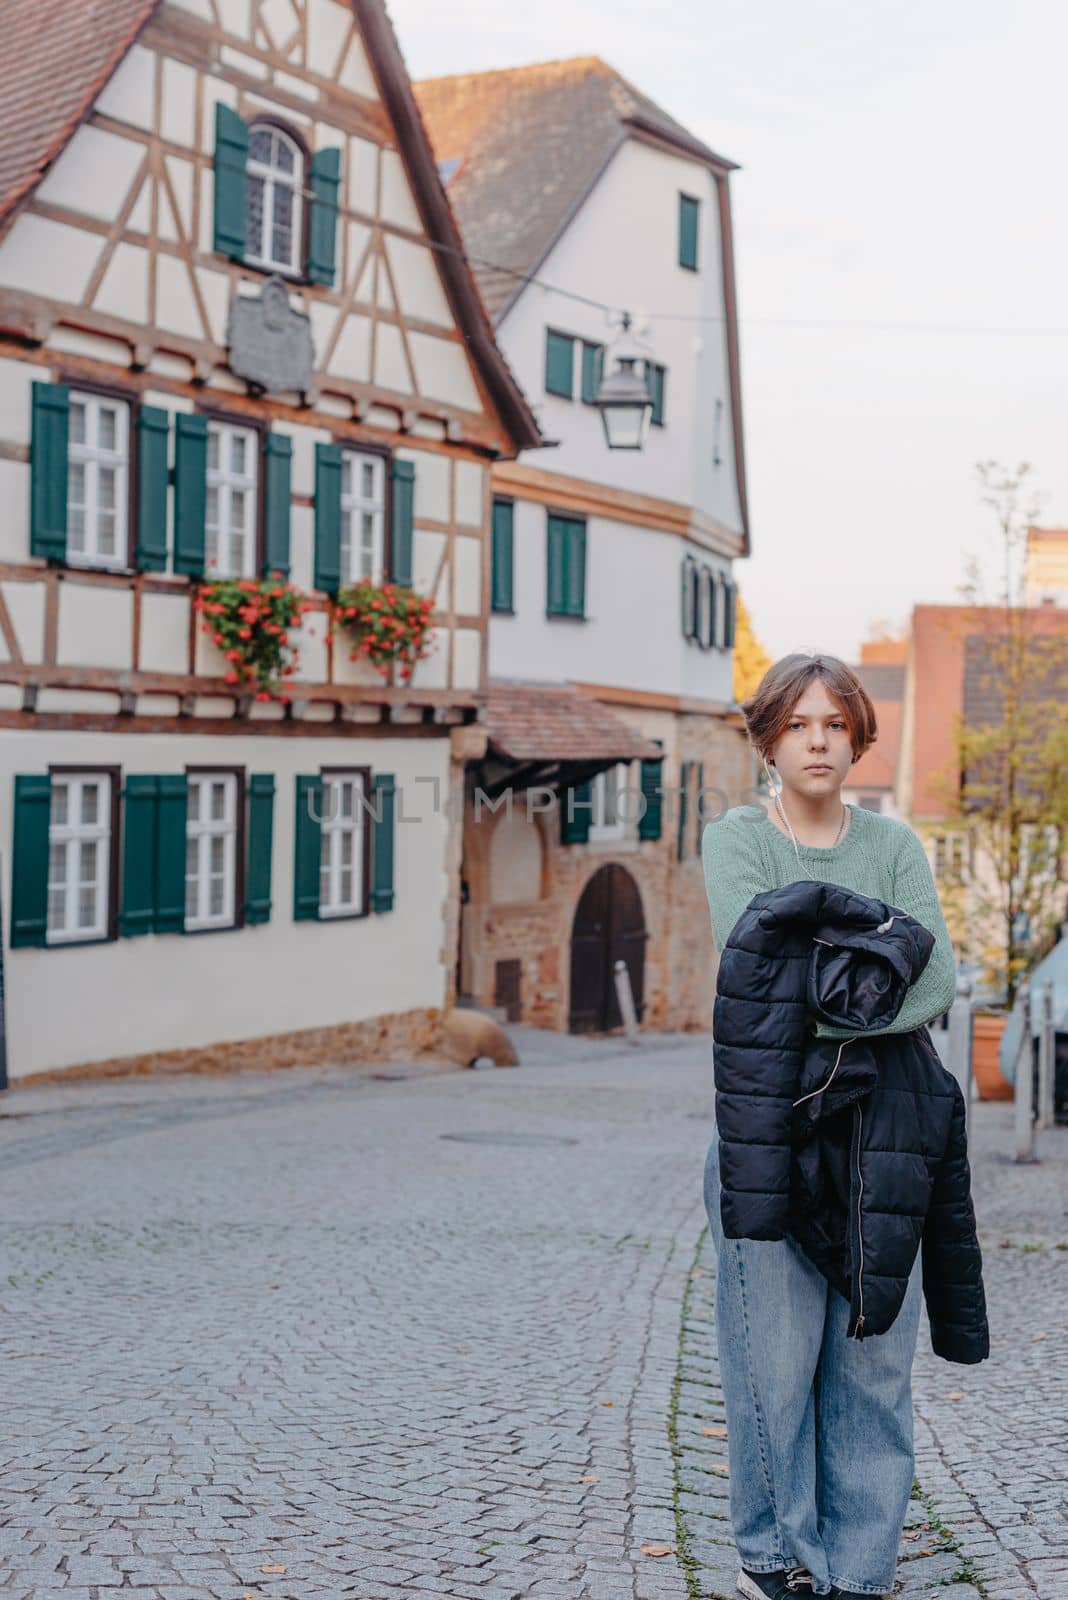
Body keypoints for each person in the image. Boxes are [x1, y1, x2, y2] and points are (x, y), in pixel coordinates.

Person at [700, 652, 959, 1600]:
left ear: (858, 737)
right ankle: (774, 1557)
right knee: (771, 1370)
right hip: (769, 1138)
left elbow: (934, 982)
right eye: (800, 724)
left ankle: (860, 1570)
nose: (818, 741)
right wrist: (875, 956)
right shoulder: (735, 840)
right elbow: (755, 980)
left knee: (874, 1365)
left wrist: (817, 965)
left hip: (886, 1142)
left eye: (835, 725)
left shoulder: (891, 847)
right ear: (770, 737)